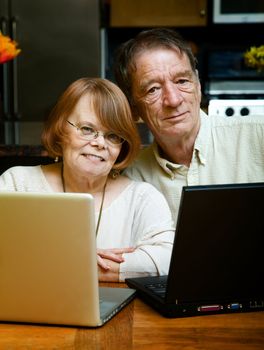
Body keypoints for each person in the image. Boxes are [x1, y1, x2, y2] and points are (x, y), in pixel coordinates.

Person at [0, 77, 175, 282]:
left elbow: (167, 260)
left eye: (113, 136)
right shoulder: (17, 183)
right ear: (61, 129)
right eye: (87, 129)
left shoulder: (142, 197)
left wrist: (81, 267)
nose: (100, 143)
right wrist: (78, 260)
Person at [114, 28, 264, 224]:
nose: (174, 100)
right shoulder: (129, 179)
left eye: (182, 81)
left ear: (198, 86)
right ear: (133, 109)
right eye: (153, 90)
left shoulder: (259, 136)